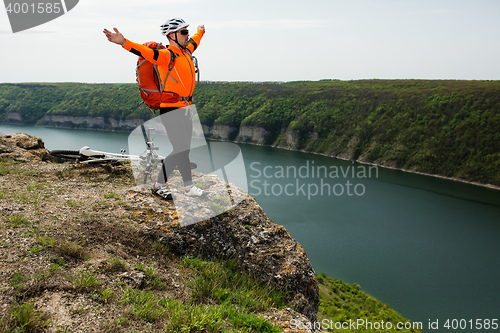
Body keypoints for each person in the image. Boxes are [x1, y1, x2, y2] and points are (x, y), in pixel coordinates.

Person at [104, 18, 206, 199]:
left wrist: (201, 31)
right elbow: (144, 51)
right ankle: (158, 185)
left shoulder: (186, 51)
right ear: (172, 36)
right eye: (183, 32)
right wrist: (123, 42)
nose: (187, 35)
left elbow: (194, 42)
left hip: (186, 108)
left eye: (186, 32)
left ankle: (189, 187)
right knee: (180, 148)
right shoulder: (166, 56)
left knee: (185, 150)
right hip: (171, 109)